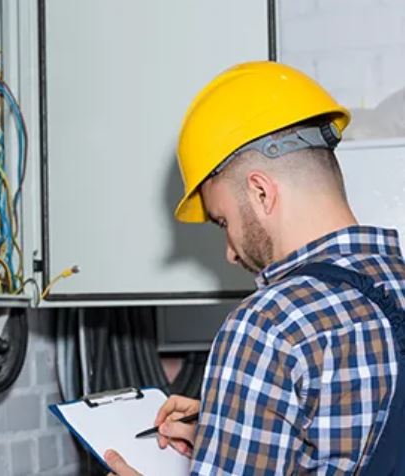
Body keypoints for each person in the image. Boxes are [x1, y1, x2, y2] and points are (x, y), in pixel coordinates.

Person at [104, 61, 405, 475]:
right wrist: (232, 427)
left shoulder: (268, 325)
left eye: (223, 221)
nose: (230, 253)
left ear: (261, 192)